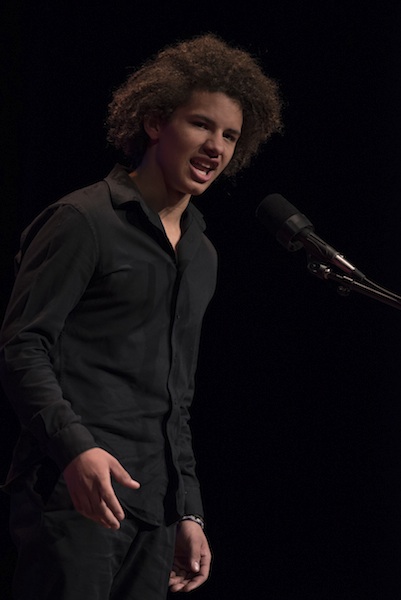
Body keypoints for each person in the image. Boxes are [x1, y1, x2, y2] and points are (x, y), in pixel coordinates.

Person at [0, 33, 282, 599]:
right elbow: (22, 347)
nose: (216, 147)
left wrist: (189, 511)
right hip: (71, 493)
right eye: (202, 125)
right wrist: (75, 448)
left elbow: (176, 398)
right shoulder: (84, 220)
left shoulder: (202, 252)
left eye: (230, 136)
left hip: (154, 511)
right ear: (155, 122)